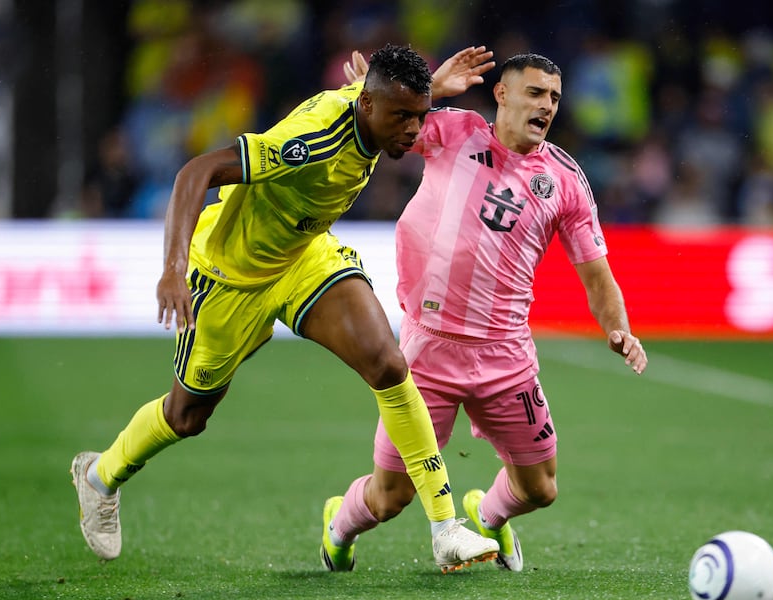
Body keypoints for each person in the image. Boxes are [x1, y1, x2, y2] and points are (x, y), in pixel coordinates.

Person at [70, 44, 502, 573]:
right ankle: (98, 477)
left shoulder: (380, 110)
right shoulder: (310, 141)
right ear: (367, 105)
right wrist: (171, 269)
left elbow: (388, 100)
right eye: (403, 119)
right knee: (187, 415)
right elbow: (196, 171)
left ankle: (445, 527)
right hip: (231, 275)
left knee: (387, 362)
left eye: (419, 116)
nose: (414, 131)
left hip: (303, 256)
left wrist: (427, 87)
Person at [320, 53, 648, 573]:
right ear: (502, 94)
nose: (546, 106)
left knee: (541, 488)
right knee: (390, 498)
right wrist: (380, 92)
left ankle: (489, 517)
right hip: (430, 348)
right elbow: (383, 129)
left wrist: (618, 329)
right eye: (536, 93)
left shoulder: (563, 179)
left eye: (555, 98)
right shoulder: (453, 132)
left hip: (506, 355)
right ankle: (339, 524)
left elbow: (596, 273)